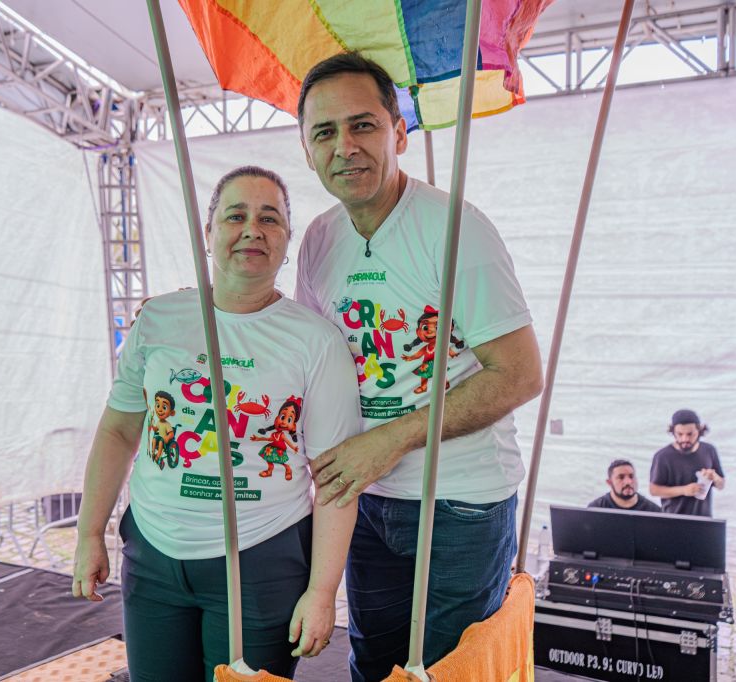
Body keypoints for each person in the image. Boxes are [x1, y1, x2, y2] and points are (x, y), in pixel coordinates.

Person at [292, 53, 543, 677]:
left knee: (444, 671)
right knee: (373, 660)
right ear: (307, 150)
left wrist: (392, 438)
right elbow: (307, 357)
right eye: (324, 132)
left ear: (399, 132)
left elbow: (519, 373)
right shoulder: (319, 239)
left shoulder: (455, 228)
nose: (344, 147)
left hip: (460, 502)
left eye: (363, 125)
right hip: (365, 499)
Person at [71, 166, 362, 681]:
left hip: (261, 561)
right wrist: (90, 532)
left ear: (287, 242)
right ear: (208, 235)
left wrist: (321, 593)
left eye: (270, 219)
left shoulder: (316, 342)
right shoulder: (158, 319)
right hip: (154, 556)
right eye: (236, 215)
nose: (253, 229)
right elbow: (118, 429)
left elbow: (335, 479)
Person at [650, 409, 725, 517]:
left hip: (704, 521)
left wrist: (715, 477)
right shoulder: (662, 456)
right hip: (673, 520)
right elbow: (654, 490)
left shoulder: (709, 450)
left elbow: (721, 485)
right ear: (673, 432)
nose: (685, 439)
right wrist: (684, 490)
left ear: (699, 431)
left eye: (690, 434)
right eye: (680, 434)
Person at [587, 459, 661, 512]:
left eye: (631, 476)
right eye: (621, 477)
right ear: (609, 482)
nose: (628, 482)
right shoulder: (596, 509)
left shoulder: (653, 512)